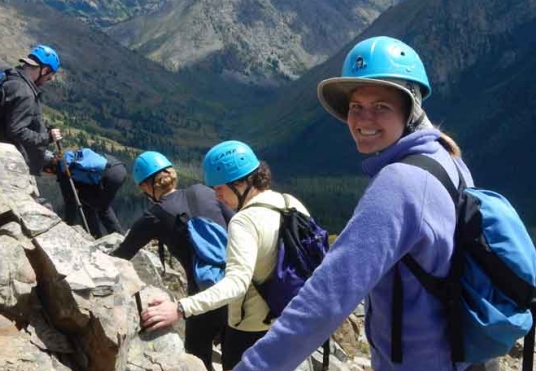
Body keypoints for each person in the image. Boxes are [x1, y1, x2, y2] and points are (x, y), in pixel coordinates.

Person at [233, 36, 473, 371]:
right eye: (355, 107)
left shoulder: (400, 183)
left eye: (382, 107)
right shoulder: (449, 160)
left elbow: (328, 296)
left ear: (412, 107)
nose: (363, 120)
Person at [136, 141, 313, 371]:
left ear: (240, 182)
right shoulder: (291, 203)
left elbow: (236, 284)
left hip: (249, 332)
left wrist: (179, 308)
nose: (217, 196)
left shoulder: (244, 221)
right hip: (293, 323)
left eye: (219, 188)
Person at [111, 151, 233, 371]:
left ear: (146, 187)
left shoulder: (155, 216)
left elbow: (122, 254)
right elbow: (237, 223)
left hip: (204, 294)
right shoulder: (203, 191)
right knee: (235, 354)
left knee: (197, 351)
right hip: (237, 284)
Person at [0, 44, 62, 175]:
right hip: (6, 163)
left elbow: (11, 115)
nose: (48, 80)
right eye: (49, 76)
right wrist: (46, 137)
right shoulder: (24, 92)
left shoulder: (11, 75)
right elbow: (16, 131)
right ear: (44, 70)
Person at [53, 149, 128, 238]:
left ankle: (109, 238)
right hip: (118, 167)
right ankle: (101, 236)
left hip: (109, 175)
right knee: (90, 202)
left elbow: (70, 203)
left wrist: (67, 225)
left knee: (101, 208)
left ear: (50, 169)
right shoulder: (74, 156)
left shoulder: (64, 171)